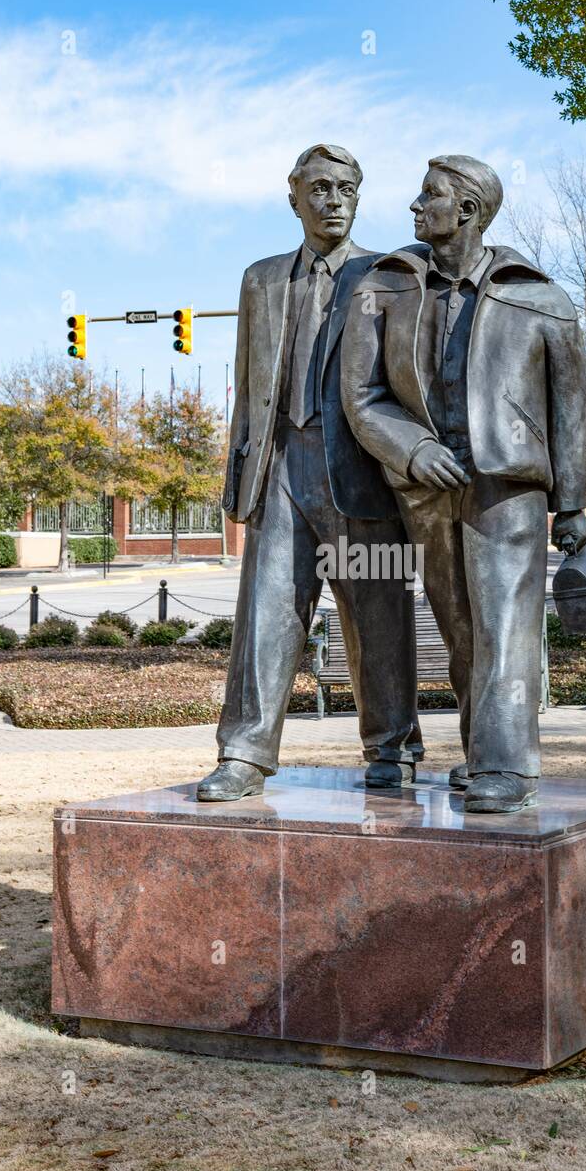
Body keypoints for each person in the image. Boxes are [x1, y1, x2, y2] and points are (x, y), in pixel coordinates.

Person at [341, 154, 586, 812]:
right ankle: (485, 753)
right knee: (461, 628)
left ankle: (506, 764)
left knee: (505, 623)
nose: (415, 207)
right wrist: (413, 448)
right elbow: (361, 395)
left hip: (509, 486)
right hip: (425, 486)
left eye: (429, 196)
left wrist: (573, 506)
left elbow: (571, 408)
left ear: (468, 210)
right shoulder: (385, 288)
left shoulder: (539, 298)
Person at [198, 144, 422, 802]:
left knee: (377, 616)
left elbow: (408, 383)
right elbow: (248, 385)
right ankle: (243, 753)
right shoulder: (261, 279)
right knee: (266, 612)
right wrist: (241, 476)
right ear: (293, 196)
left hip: (359, 470)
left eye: (346, 189)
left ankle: (392, 751)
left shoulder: (387, 275)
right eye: (320, 188)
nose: (334, 200)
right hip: (280, 470)